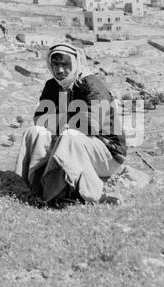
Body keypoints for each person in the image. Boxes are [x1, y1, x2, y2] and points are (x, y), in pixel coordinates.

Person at [10, 42, 127, 205]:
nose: (59, 70)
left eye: (65, 64)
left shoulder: (93, 86)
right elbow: (40, 119)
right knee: (34, 132)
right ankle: (32, 190)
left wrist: (61, 123)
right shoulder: (52, 86)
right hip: (68, 141)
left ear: (76, 63)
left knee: (70, 136)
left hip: (107, 152)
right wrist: (66, 124)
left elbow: (91, 125)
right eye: (55, 64)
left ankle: (87, 194)